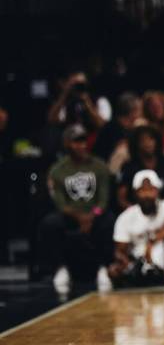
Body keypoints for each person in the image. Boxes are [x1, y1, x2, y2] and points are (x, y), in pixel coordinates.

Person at [38, 124, 115, 294]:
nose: (81, 145)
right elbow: (59, 202)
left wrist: (92, 216)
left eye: (83, 141)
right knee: (50, 223)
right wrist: (79, 217)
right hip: (70, 215)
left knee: (108, 220)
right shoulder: (58, 169)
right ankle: (60, 268)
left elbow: (103, 199)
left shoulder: (99, 165)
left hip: (94, 214)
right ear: (66, 144)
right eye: (76, 142)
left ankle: (104, 267)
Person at [109, 170, 164, 286]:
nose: (147, 195)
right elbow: (120, 250)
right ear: (135, 193)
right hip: (139, 260)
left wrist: (152, 241)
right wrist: (125, 263)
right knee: (113, 271)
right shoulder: (126, 217)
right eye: (143, 191)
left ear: (158, 191)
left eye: (151, 190)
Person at [117, 126, 164, 210]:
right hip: (137, 212)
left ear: (157, 141)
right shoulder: (128, 167)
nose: (147, 143)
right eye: (143, 140)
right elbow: (121, 198)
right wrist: (134, 212)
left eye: (151, 139)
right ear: (136, 144)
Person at [94, 92, 142, 162]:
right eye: (139, 109)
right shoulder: (110, 129)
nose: (141, 113)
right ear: (132, 111)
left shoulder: (133, 128)